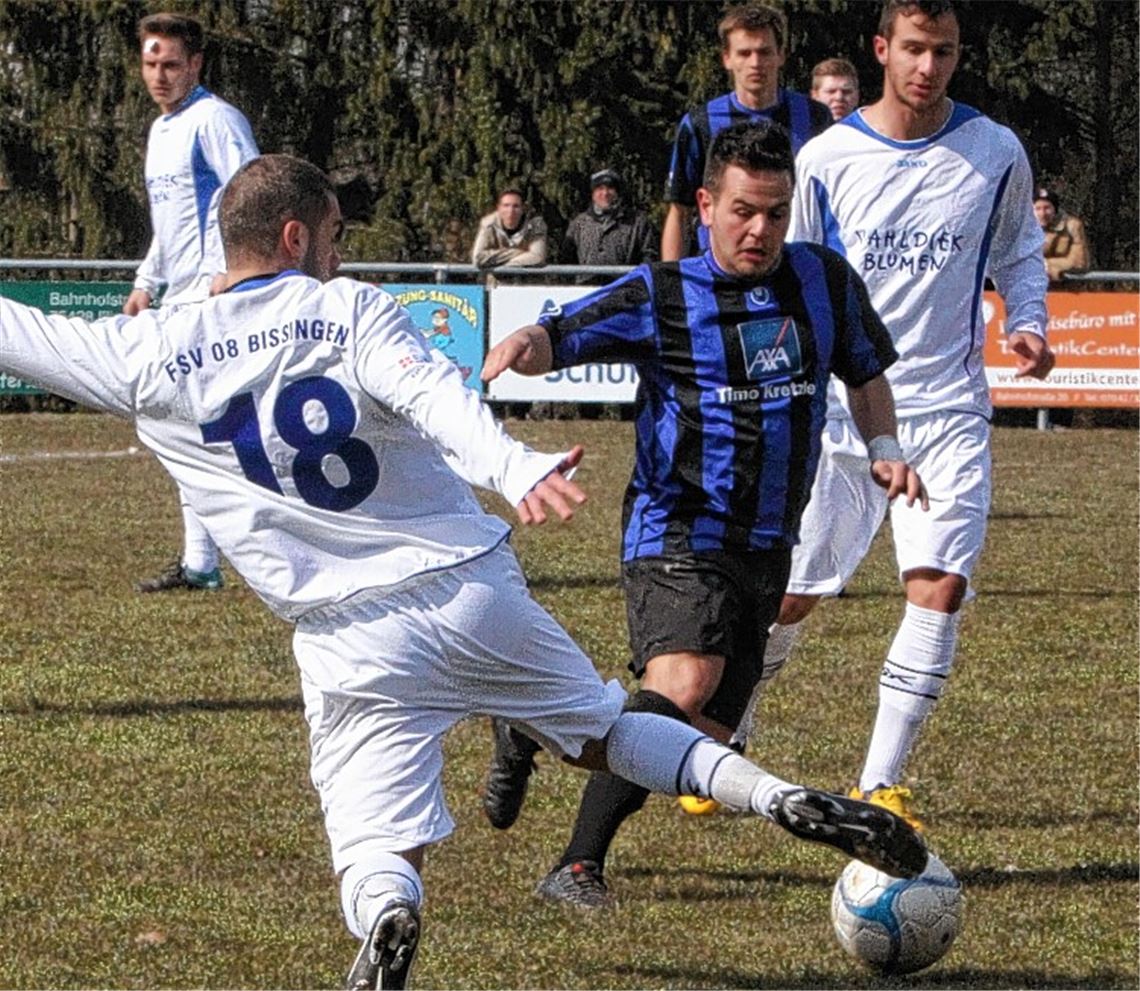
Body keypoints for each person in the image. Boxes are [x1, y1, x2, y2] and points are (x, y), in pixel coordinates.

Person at [0, 154, 927, 989]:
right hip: (470, 587)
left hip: (345, 639)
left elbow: (16, 330)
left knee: (368, 839)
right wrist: (513, 466)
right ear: (294, 236)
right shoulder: (350, 306)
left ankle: (389, 912)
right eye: (332, 235)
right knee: (609, 727)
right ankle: (778, 796)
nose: (337, 252)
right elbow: (434, 397)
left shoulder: (145, 350)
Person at [481, 120, 927, 908]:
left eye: (777, 213)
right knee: (685, 683)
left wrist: (885, 442)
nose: (761, 230)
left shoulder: (823, 279)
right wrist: (525, 342)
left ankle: (534, 725)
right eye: (744, 211)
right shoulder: (665, 292)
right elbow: (561, 334)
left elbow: (863, 373)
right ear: (706, 203)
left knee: (703, 737)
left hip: (768, 541)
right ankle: (577, 866)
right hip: (677, 526)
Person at [728, 0, 1056, 830]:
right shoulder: (830, 158)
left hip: (945, 409)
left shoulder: (994, 152)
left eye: (943, 51)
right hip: (841, 422)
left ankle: (879, 785)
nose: (928, 67)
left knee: (937, 587)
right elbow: (789, 273)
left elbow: (1019, 249)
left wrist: (1027, 321)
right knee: (792, 597)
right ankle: (731, 722)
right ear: (882, 49)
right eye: (913, 49)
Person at [125, 12, 260, 593]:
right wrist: (145, 281)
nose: (159, 75)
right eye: (151, 63)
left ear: (196, 64)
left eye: (171, 64)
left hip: (210, 296)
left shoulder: (215, 120)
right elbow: (171, 224)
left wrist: (237, 271)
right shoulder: (161, 130)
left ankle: (211, 562)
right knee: (188, 425)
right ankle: (202, 564)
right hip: (175, 297)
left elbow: (252, 193)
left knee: (189, 423)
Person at [660, 3, 832, 261]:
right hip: (722, 273)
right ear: (727, 58)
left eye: (764, 52)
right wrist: (672, 285)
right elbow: (680, 210)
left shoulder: (816, 118)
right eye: (745, 53)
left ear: (781, 55)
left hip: (797, 268)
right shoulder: (700, 124)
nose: (756, 63)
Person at [560, 168, 658, 272]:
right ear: (593, 194)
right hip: (587, 286)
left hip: (625, 284)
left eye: (610, 188)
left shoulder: (637, 222)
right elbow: (566, 260)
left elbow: (649, 255)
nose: (605, 193)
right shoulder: (579, 224)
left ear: (618, 192)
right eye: (600, 189)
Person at [471, 187, 548, 268]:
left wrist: (502, 264)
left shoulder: (536, 225)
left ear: (523, 208)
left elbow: (538, 258)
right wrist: (519, 253)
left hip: (526, 279)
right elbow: (478, 258)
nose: (511, 211)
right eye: (506, 205)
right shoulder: (488, 224)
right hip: (496, 279)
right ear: (499, 208)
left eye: (516, 206)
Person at [1033, 185, 1090, 285]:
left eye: (1047, 208)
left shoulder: (1072, 227)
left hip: (1066, 291)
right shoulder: (1022, 230)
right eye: (1038, 209)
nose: (1042, 214)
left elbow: (1079, 262)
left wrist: (1047, 265)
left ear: (1055, 209)